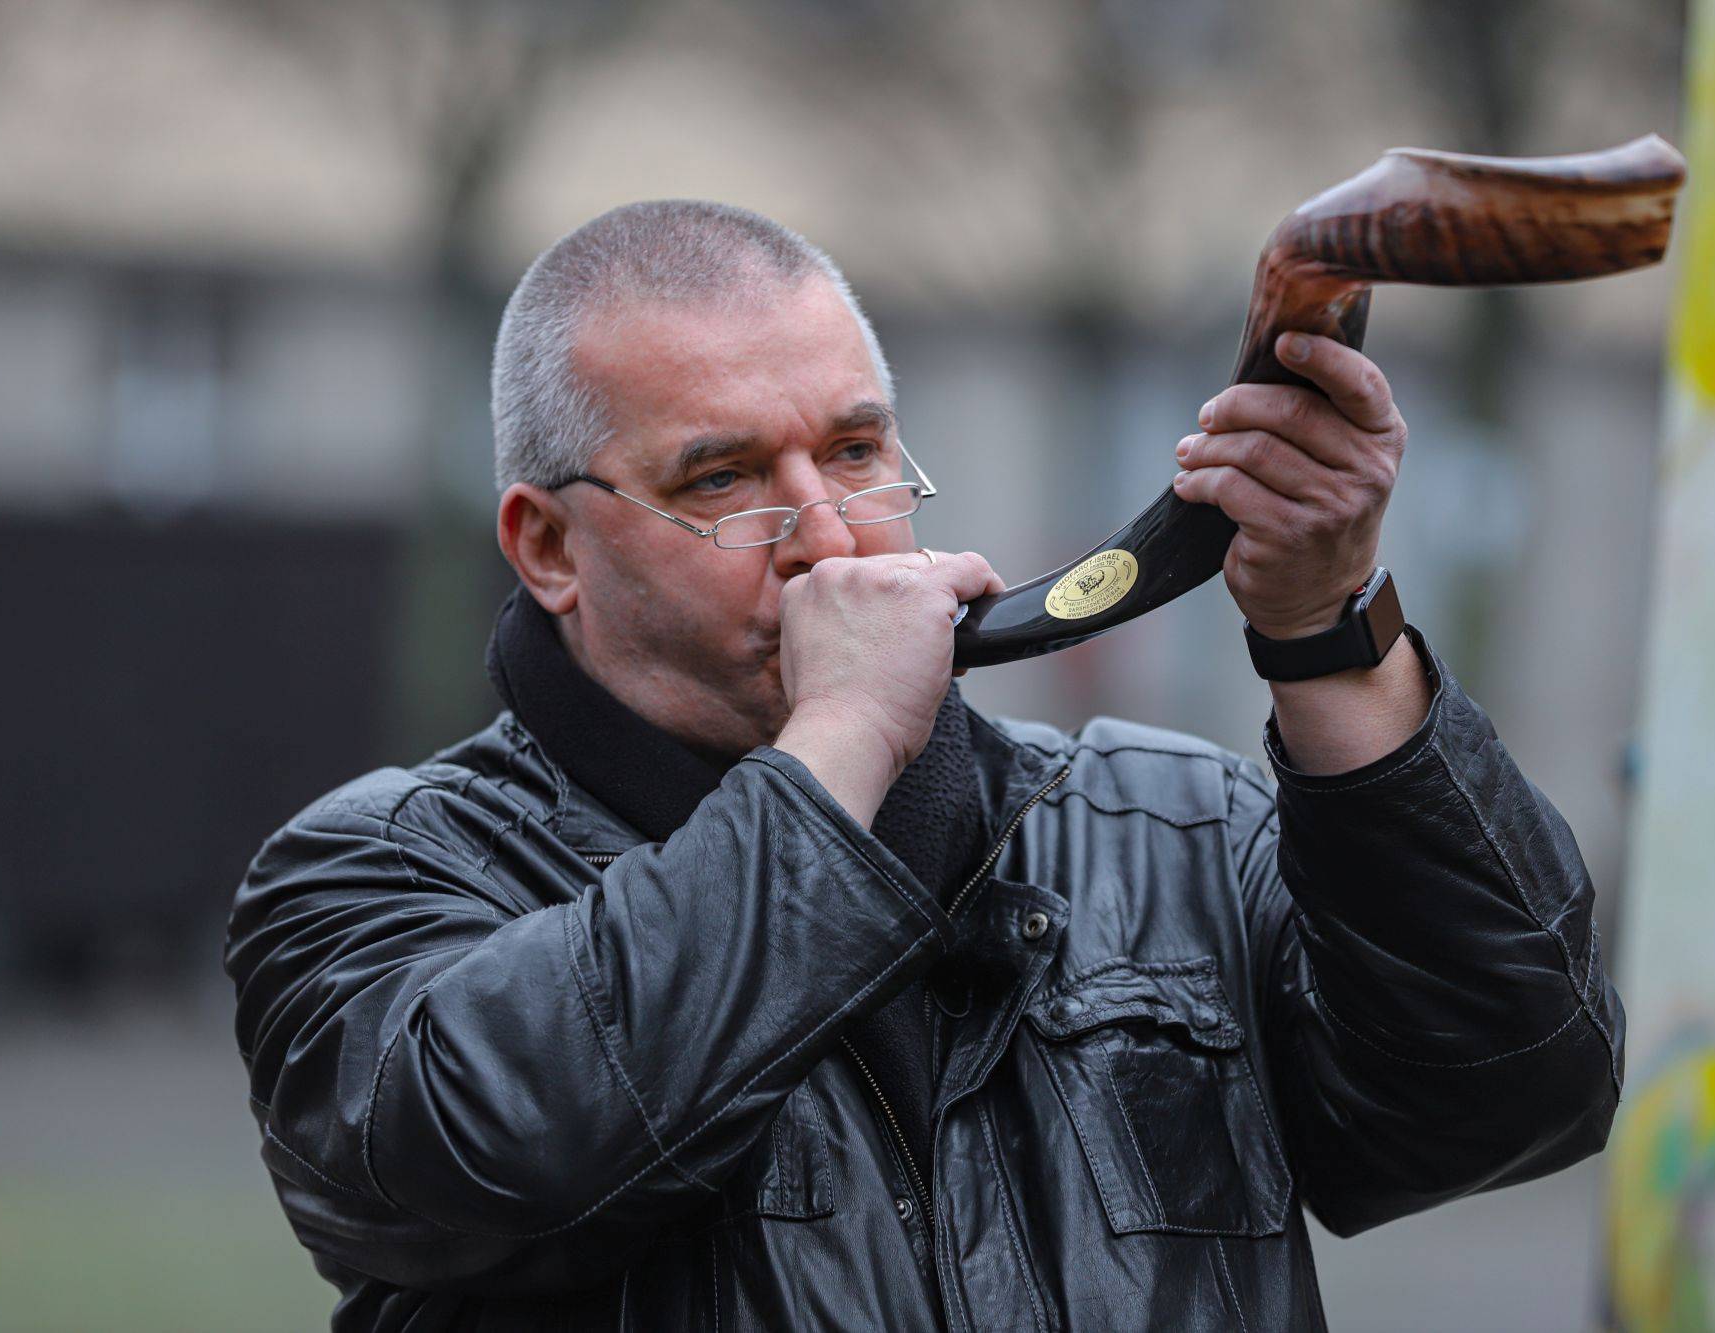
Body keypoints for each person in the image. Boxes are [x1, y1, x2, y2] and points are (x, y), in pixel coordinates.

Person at [224, 201, 1623, 1330]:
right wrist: (843, 738)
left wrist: (1328, 636)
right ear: (547, 547)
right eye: (722, 480)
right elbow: (493, 1161)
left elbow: (1514, 1094)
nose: (832, 536)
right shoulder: (376, 878)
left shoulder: (1174, 826)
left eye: (855, 450)